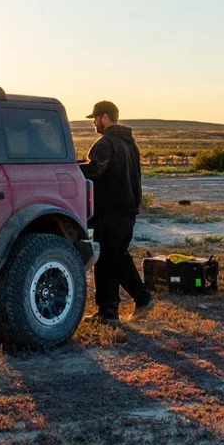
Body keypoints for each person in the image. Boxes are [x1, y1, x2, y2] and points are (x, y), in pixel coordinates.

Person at [79, 100, 155, 323]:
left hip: (110, 212)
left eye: (95, 118)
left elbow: (94, 169)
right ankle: (108, 312)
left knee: (113, 258)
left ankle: (143, 298)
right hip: (126, 210)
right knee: (108, 259)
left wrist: (70, 168)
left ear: (104, 117)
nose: (94, 123)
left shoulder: (106, 143)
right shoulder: (129, 144)